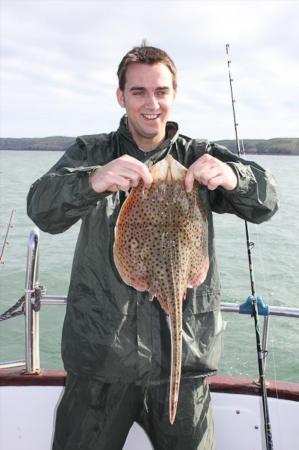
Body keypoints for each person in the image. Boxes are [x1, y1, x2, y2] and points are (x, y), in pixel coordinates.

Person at [27, 44, 279, 450]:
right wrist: (93, 180)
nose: (151, 103)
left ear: (173, 94)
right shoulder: (92, 153)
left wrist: (233, 177)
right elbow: (41, 208)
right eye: (139, 91)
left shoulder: (198, 156)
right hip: (100, 365)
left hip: (184, 358)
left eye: (161, 91)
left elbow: (268, 200)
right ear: (121, 96)